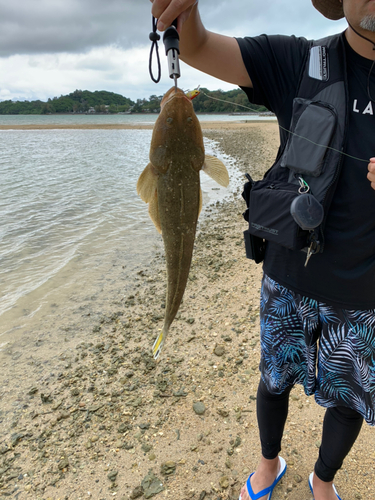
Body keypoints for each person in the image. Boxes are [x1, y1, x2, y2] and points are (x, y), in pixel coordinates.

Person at [150, 1, 375, 499]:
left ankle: (322, 479)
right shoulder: (297, 60)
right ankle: (269, 462)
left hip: (366, 294)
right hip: (287, 276)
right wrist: (181, 15)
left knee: (350, 402)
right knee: (273, 382)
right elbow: (200, 47)